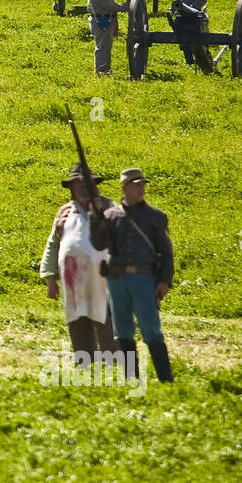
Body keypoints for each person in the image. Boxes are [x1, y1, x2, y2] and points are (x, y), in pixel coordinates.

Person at [90, 167, 175, 383]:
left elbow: (165, 251)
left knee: (151, 330)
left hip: (143, 279)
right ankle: (132, 379)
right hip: (117, 279)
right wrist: (95, 221)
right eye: (136, 184)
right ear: (124, 187)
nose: (141, 188)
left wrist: (164, 281)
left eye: (142, 184)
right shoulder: (110, 216)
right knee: (122, 331)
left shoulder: (155, 217)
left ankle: (166, 380)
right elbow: (98, 244)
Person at [39, 163, 119, 365]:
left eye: (87, 183)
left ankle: (112, 364)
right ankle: (84, 364)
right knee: (77, 321)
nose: (83, 187)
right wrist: (50, 278)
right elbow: (53, 244)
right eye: (78, 184)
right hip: (74, 281)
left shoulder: (110, 208)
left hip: (105, 280)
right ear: (72, 188)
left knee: (106, 321)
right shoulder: (64, 212)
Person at [169, 0, 211, 68]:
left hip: (194, 15)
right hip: (181, 14)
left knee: (196, 39)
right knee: (181, 38)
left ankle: (202, 59)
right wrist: (173, 9)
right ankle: (189, 61)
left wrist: (193, 8)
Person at [87, 0, 126, 75]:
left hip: (105, 20)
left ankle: (105, 70)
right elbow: (113, 7)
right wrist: (127, 6)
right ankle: (100, 70)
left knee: (106, 46)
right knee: (102, 47)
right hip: (101, 22)